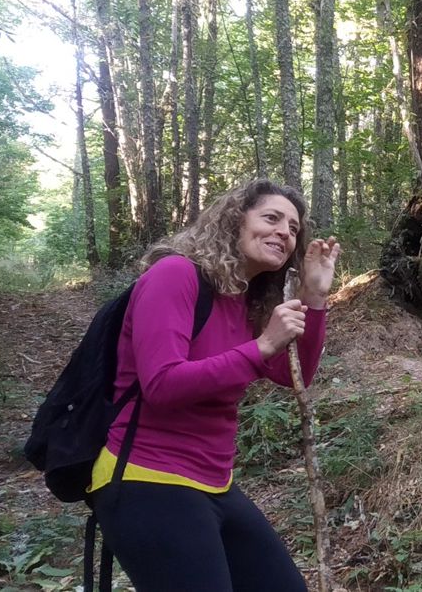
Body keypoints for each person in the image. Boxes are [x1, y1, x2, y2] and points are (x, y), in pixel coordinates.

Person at [89, 179, 341, 591]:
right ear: (234, 220)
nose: (285, 232)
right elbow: (163, 385)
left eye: (293, 228)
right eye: (272, 218)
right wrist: (261, 347)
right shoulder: (174, 275)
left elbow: (293, 376)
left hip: (214, 481)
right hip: (145, 477)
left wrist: (314, 298)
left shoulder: (248, 298)